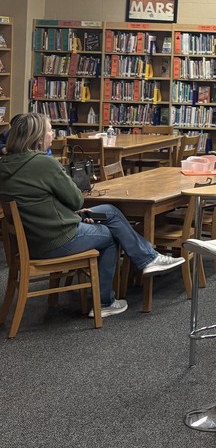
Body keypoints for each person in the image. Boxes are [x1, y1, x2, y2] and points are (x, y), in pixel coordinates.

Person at [0, 112, 185, 317]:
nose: (53, 135)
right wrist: (73, 207)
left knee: (109, 212)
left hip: (31, 239)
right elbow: (76, 199)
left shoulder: (5, 165)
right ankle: (106, 301)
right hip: (56, 239)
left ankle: (148, 258)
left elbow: (38, 203)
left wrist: (74, 214)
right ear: (37, 137)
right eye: (50, 130)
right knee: (109, 235)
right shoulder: (44, 164)